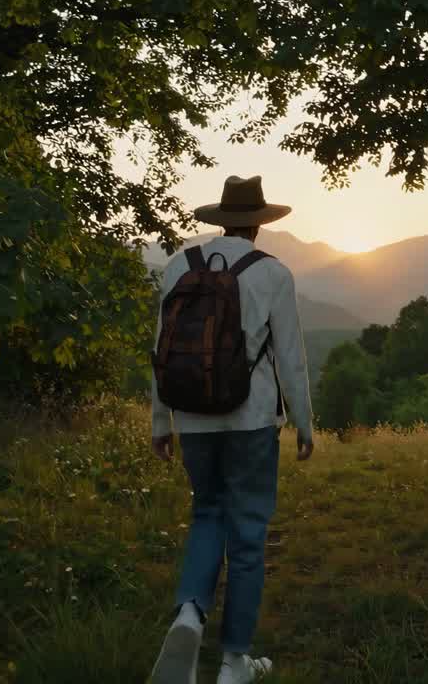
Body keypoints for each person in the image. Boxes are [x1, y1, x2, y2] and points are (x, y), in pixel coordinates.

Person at [149, 174, 314, 684]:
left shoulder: (179, 265)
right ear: (259, 225)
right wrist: (304, 424)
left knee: (207, 513)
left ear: (219, 220)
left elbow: (161, 349)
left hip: (191, 418)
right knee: (246, 533)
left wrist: (161, 420)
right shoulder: (273, 274)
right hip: (251, 418)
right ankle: (234, 661)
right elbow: (290, 358)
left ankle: (189, 614)